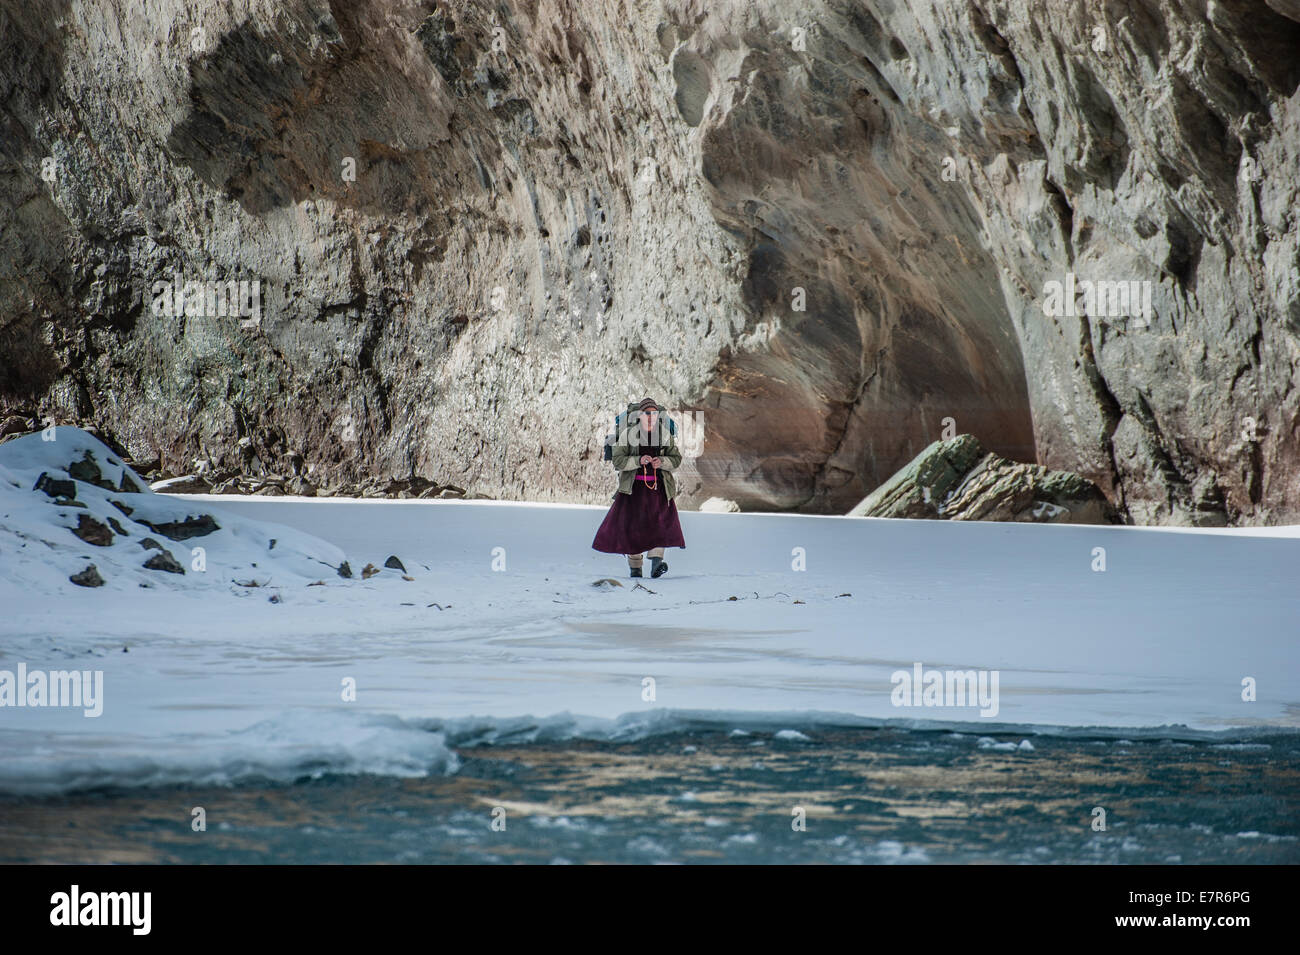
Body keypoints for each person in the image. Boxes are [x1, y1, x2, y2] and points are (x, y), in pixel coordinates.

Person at [591, 397, 686, 577]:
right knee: (633, 528)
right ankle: (636, 567)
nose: (651, 417)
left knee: (661, 525)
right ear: (639, 415)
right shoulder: (628, 434)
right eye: (647, 413)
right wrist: (638, 460)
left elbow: (676, 460)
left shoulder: (664, 434)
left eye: (655, 414)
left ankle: (657, 562)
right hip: (633, 490)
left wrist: (663, 461)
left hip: (658, 489)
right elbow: (618, 462)